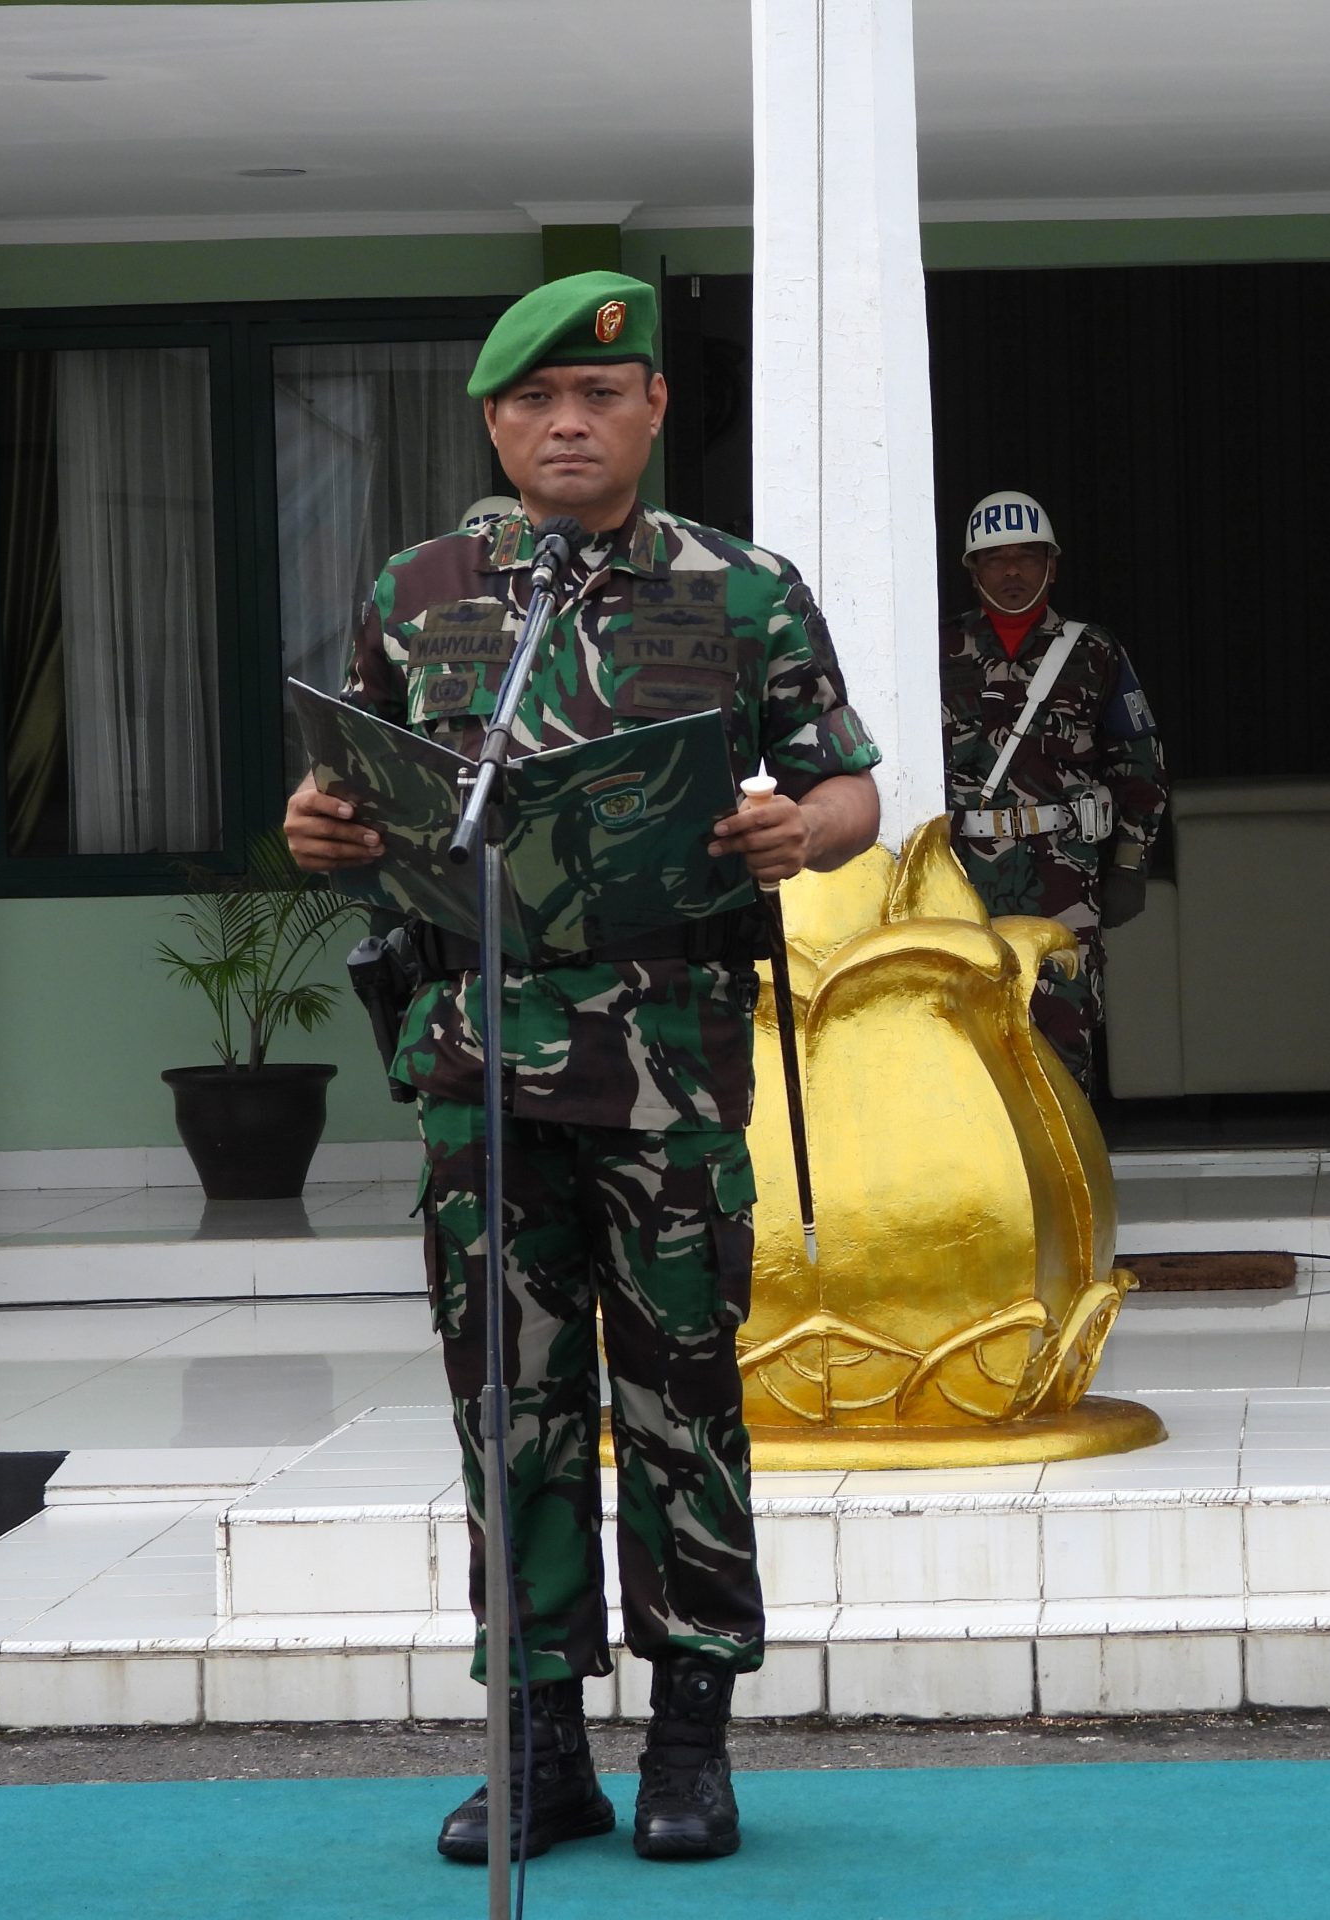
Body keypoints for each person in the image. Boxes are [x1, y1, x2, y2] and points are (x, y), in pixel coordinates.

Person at [284, 270, 883, 1865]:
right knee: (510, 1399)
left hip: (667, 1064)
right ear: (493, 420)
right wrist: (316, 830)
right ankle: (539, 1740)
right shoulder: (420, 593)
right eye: (539, 401)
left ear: (654, 412)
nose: (570, 421)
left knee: (683, 1397)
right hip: (477, 1059)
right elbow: (353, 797)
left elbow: (851, 795)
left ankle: (692, 1740)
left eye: (602, 397)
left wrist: (792, 831)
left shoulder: (743, 590)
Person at [939, 490, 1168, 1091]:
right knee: (961, 1035)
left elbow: (1139, 763)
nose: (1012, 571)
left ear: (1052, 565)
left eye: (1027, 556)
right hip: (960, 875)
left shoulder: (1094, 650)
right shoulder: (933, 651)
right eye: (995, 558)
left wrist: (1129, 864)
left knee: (1064, 1028)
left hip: (1063, 872)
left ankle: (1067, 1182)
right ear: (972, 569)